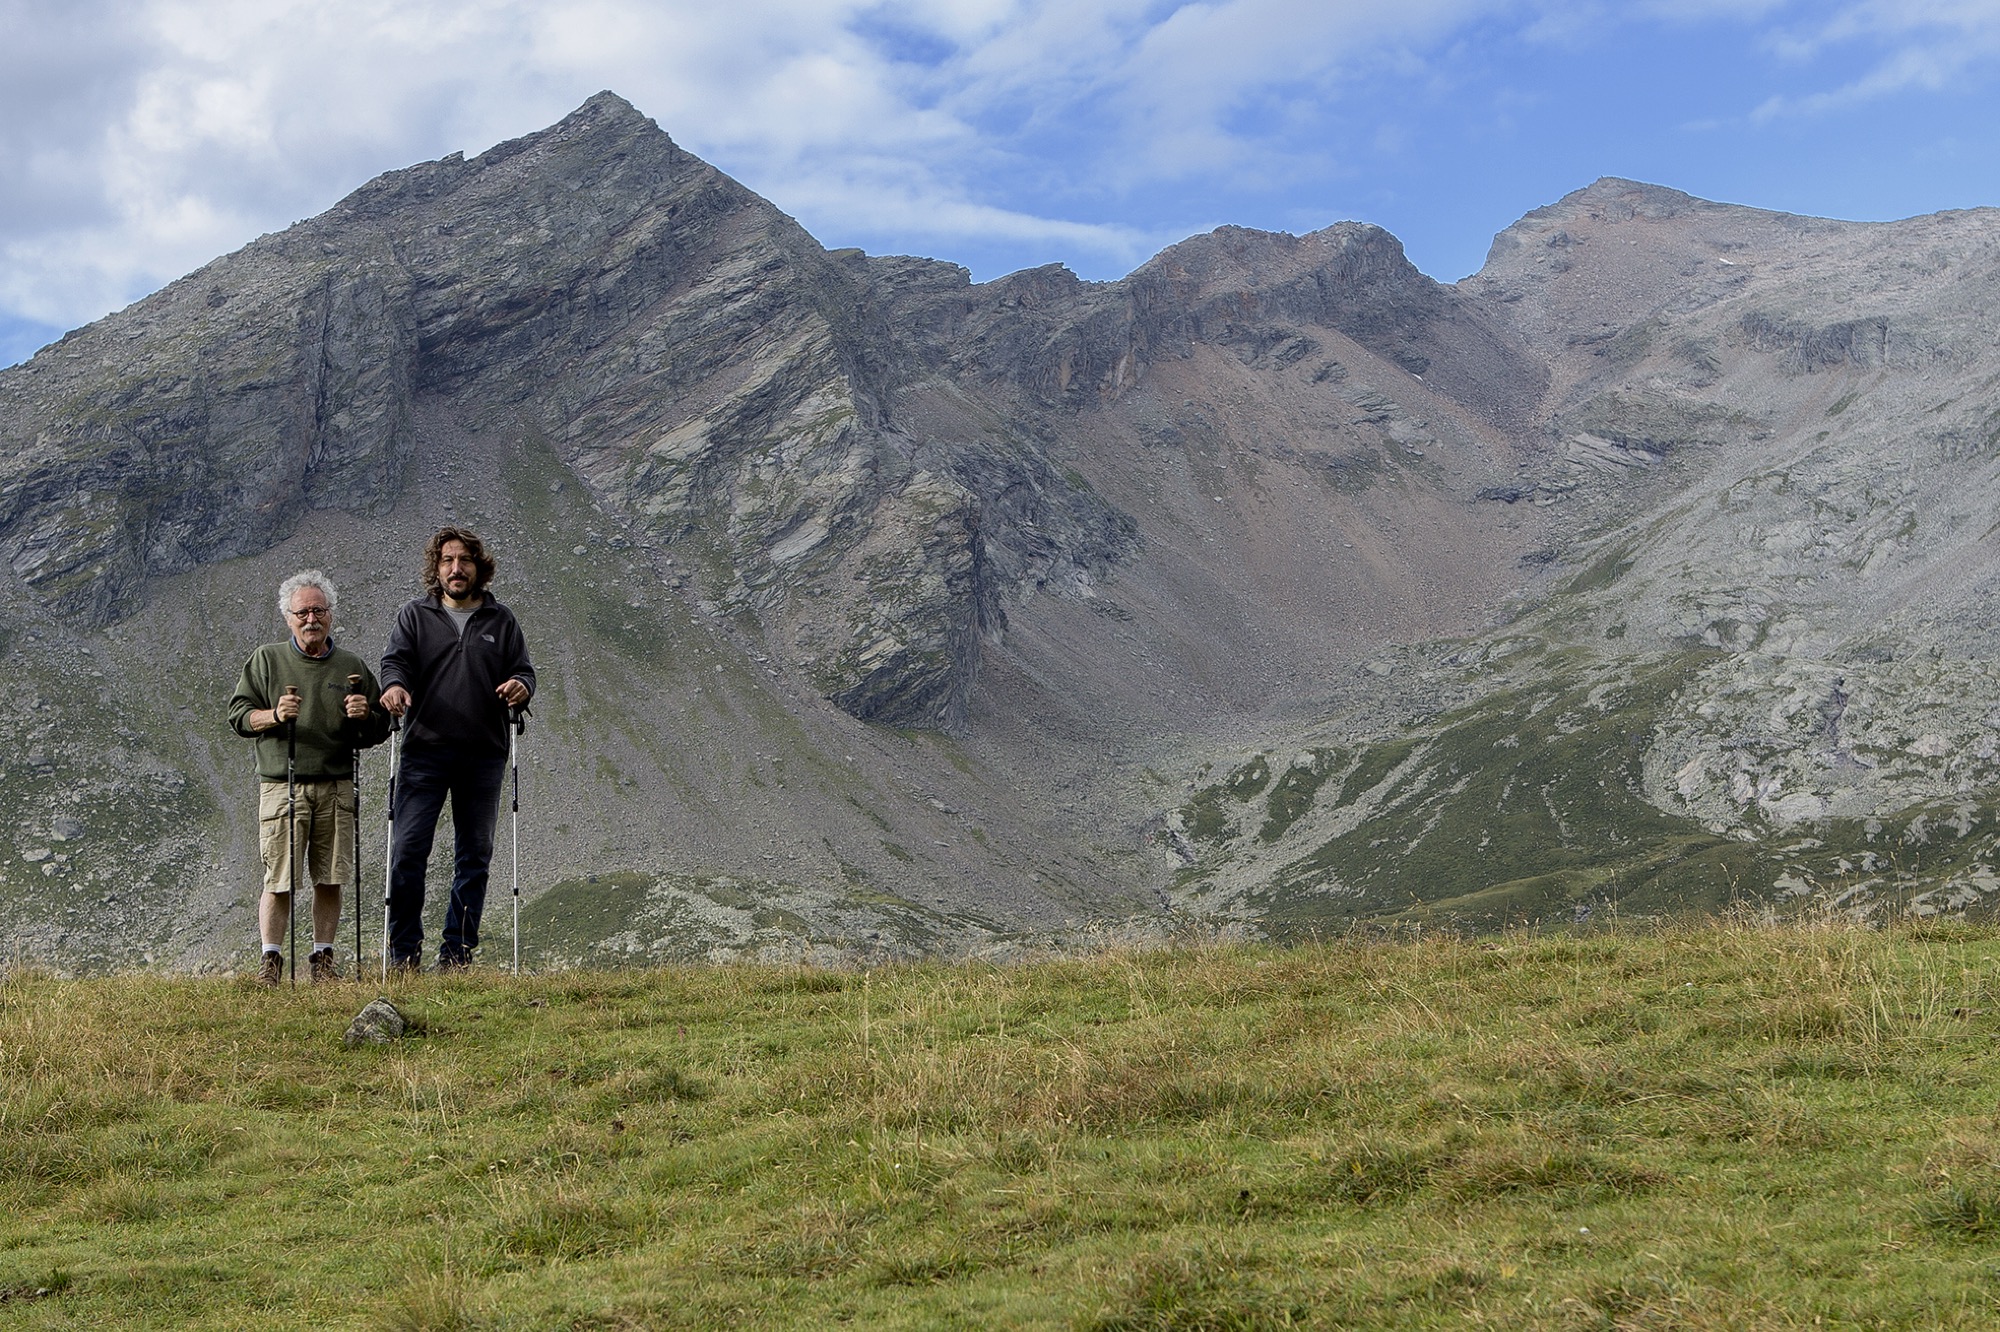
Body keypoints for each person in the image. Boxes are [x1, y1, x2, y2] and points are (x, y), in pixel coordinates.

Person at [379, 526, 536, 972]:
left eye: (464, 560)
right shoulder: (415, 616)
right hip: (423, 752)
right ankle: (404, 954)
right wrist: (393, 687)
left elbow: (524, 670)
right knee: (408, 850)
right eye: (447, 560)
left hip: (483, 755)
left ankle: (456, 954)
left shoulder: (501, 620)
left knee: (474, 856)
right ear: (437, 568)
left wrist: (521, 686)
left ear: (477, 567)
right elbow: (396, 662)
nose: (456, 568)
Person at [228, 570, 391, 985]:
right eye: (302, 611)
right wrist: (275, 715)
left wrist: (365, 716)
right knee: (279, 877)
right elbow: (238, 716)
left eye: (318, 610)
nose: (311, 619)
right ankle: (271, 962)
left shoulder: (351, 665)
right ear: (288, 617)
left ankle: (323, 961)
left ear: (331, 615)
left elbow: (378, 728)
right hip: (283, 783)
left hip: (336, 784)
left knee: (331, 875)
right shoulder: (266, 660)